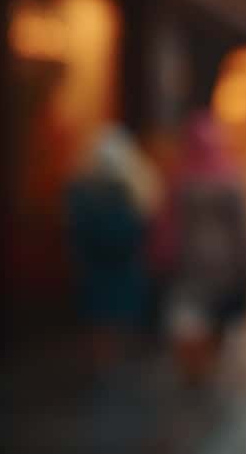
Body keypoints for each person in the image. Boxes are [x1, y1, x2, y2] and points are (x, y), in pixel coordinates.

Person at [152, 112, 246, 385]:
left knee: (194, 321)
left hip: (189, 264)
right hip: (226, 266)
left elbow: (166, 222)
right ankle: (217, 373)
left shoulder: (179, 178)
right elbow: (245, 229)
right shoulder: (231, 178)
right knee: (224, 320)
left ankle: (199, 372)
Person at [64, 121, 162, 366]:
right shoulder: (132, 187)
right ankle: (111, 359)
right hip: (119, 265)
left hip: (101, 266)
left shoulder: (83, 189)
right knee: (115, 315)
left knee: (102, 315)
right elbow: (143, 224)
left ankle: (105, 360)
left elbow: (75, 230)